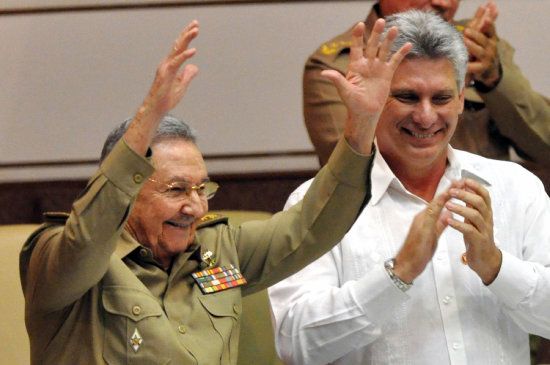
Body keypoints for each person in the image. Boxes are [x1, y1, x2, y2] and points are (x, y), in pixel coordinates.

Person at [18, 18, 411, 364]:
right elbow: (87, 237)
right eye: (176, 189)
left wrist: (361, 123)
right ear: (129, 189)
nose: (194, 206)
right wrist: (147, 118)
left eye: (202, 188)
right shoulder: (59, 259)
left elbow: (311, 226)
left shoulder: (219, 252)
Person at [269, 10, 550, 364]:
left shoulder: (515, 187)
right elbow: (295, 343)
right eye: (407, 97)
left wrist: (496, 267)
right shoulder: (318, 201)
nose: (426, 116)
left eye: (442, 98)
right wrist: (398, 273)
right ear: (375, 96)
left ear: (462, 97)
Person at [303, 0, 550, 166]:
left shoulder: (478, 49)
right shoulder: (336, 65)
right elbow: (349, 174)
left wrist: (494, 80)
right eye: (407, 96)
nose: (444, 3)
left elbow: (544, 147)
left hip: (488, 214)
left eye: (444, 97)